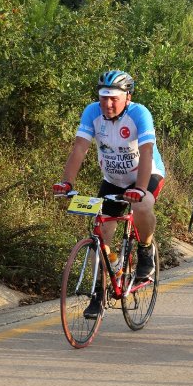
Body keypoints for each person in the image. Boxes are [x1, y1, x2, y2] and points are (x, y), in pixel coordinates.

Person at [53, 70, 165, 319]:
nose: (107, 103)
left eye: (114, 98)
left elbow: (147, 152)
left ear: (128, 96)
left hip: (145, 174)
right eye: (103, 98)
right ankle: (99, 293)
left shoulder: (139, 113)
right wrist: (66, 182)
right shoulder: (92, 112)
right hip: (113, 180)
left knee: (142, 206)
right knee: (100, 234)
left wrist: (139, 188)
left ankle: (146, 250)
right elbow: (80, 148)